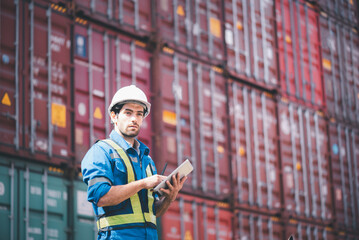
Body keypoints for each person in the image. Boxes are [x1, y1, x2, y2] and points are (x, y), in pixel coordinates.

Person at [81, 85, 187, 240]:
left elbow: (153, 212)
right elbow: (100, 197)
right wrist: (143, 183)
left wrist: (170, 197)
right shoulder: (101, 151)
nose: (134, 119)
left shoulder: (147, 160)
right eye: (128, 113)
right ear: (114, 116)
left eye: (139, 114)